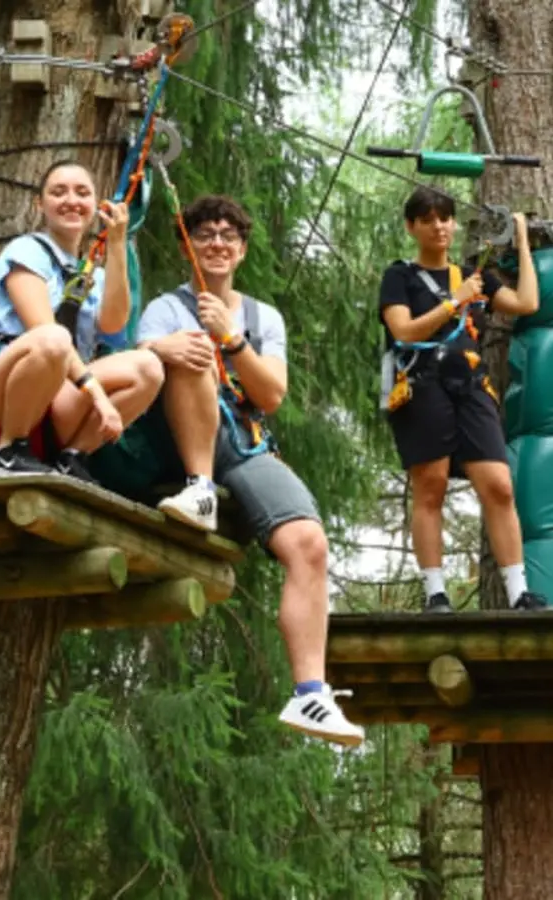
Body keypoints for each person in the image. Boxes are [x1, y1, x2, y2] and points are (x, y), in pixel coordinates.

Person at [89, 194, 365, 748]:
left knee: (308, 543)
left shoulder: (263, 318)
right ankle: (198, 488)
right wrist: (174, 344)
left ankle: (310, 692)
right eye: (205, 235)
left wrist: (233, 339)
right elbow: (141, 362)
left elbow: (272, 394)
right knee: (190, 351)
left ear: (241, 250)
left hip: (240, 440)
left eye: (227, 236)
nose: (217, 244)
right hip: (168, 438)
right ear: (188, 247)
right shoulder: (166, 307)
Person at [378, 186, 550, 614]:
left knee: (499, 485)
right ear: (412, 227)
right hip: (422, 384)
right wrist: (456, 302)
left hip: (470, 385)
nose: (439, 226)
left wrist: (522, 242)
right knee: (431, 485)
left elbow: (526, 302)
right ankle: (435, 592)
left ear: (454, 224)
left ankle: (518, 592)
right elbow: (403, 331)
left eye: (445, 218)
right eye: (428, 220)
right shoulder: (400, 276)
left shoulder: (473, 276)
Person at [0, 159, 164, 481]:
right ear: (40, 204)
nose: (71, 201)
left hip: (56, 407)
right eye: (58, 192)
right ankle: (8, 451)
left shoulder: (93, 275)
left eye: (82, 193)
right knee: (54, 338)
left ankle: (73, 457)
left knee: (149, 367)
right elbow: (45, 333)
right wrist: (98, 397)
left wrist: (117, 243)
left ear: (96, 205)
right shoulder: (26, 251)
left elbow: (113, 325)